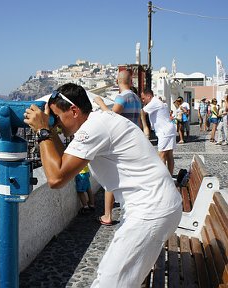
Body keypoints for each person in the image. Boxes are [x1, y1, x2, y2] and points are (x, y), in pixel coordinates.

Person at [24, 83, 182, 287]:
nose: (57, 124)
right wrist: (51, 130)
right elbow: (65, 160)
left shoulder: (94, 128)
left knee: (108, 281)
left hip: (151, 210)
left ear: (74, 111)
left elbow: (56, 179)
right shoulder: (99, 120)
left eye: (58, 117)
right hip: (157, 205)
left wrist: (43, 130)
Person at [93, 70, 142, 226]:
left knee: (111, 179)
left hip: (121, 144)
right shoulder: (136, 98)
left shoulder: (122, 97)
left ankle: (107, 215)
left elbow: (111, 118)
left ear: (117, 81)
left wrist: (100, 103)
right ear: (131, 81)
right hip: (134, 142)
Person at [141, 89, 177, 175]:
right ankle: (169, 176)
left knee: (161, 155)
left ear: (149, 96)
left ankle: (163, 178)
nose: (143, 101)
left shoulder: (154, 102)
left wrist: (144, 126)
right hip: (168, 130)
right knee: (169, 155)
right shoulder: (157, 102)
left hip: (164, 132)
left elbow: (142, 112)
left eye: (143, 98)